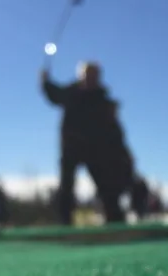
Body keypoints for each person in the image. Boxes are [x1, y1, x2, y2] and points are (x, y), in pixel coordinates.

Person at [41, 61, 136, 225]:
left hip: (97, 150)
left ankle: (115, 220)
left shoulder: (103, 101)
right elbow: (54, 94)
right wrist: (45, 81)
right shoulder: (71, 94)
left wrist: (125, 153)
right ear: (80, 76)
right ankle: (64, 222)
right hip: (71, 147)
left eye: (94, 75)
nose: (91, 78)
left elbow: (115, 130)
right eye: (87, 75)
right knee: (67, 186)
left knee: (107, 185)